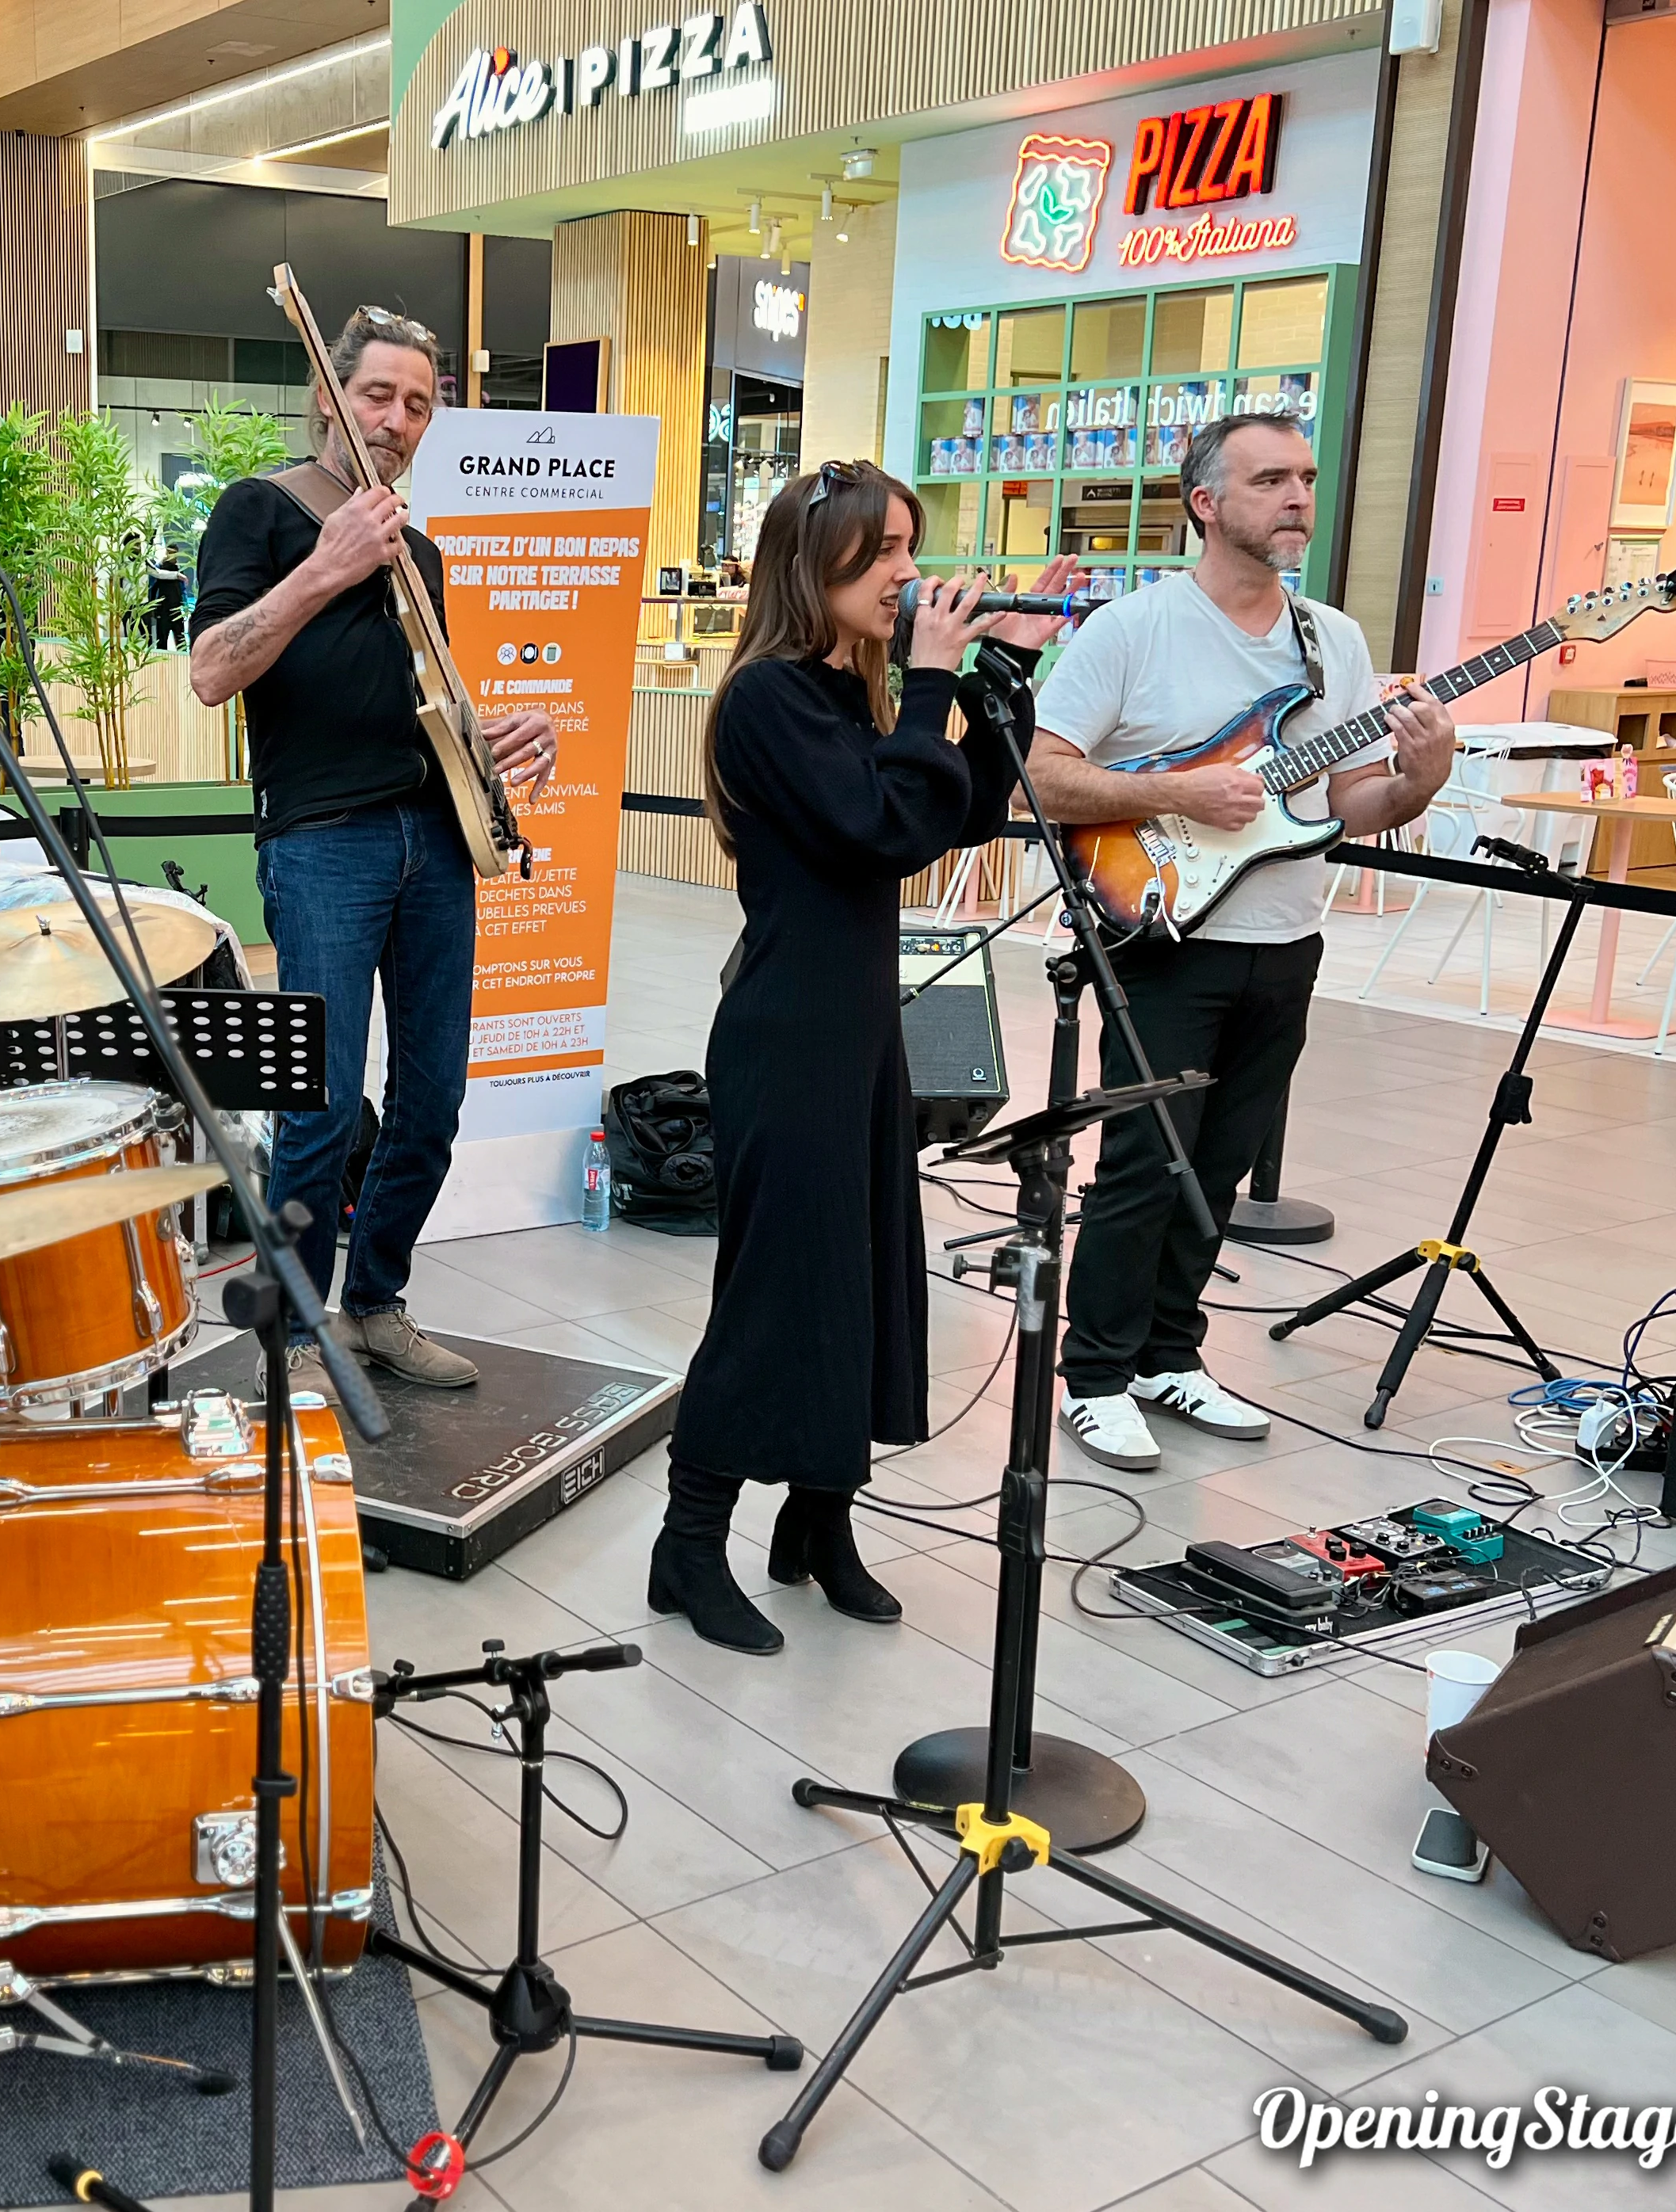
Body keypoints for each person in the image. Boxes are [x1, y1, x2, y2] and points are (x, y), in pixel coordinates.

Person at [647, 463, 1077, 1653]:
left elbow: (956, 814)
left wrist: (999, 679)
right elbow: (880, 828)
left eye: (907, 547)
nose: (904, 573)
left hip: (860, 1036)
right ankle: (687, 1544)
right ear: (813, 561)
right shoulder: (765, 701)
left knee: (865, 1279)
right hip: (788, 1038)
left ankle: (817, 1522)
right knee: (778, 1294)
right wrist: (930, 685)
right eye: (881, 551)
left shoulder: (849, 699)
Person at [1027, 412, 1453, 1473]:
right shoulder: (1133, 630)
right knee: (1141, 1163)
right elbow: (1038, 774)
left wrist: (1422, 774)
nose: (1298, 498)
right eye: (1269, 480)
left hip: (1285, 934)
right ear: (1206, 503)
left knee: (1215, 1165)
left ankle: (1171, 1354)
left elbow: (1347, 800)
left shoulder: (1332, 641)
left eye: (1306, 477)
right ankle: (1093, 1375)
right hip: (1163, 927)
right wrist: (1176, 791)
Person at [189, 303, 555, 1389]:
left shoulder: (421, 553)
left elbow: (414, 706)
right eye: (376, 395)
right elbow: (212, 669)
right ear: (328, 393)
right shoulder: (259, 512)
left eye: (417, 404)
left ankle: (375, 1303)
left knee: (434, 1099)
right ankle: (293, 1338)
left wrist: (488, 733)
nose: (394, 420)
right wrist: (325, 566)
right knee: (319, 1109)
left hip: (433, 843)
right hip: (321, 849)